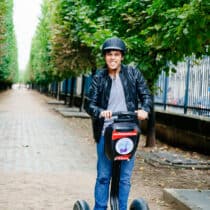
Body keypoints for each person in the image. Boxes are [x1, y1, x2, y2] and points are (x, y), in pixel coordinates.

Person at [85, 37, 152, 210]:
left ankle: (121, 208)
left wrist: (145, 109)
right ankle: (100, 207)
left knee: (124, 177)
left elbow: (146, 94)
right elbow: (89, 103)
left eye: (116, 54)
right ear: (105, 57)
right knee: (104, 176)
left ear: (122, 56)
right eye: (109, 54)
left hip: (129, 132)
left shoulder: (133, 73)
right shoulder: (99, 77)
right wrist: (99, 112)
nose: (113, 58)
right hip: (106, 133)